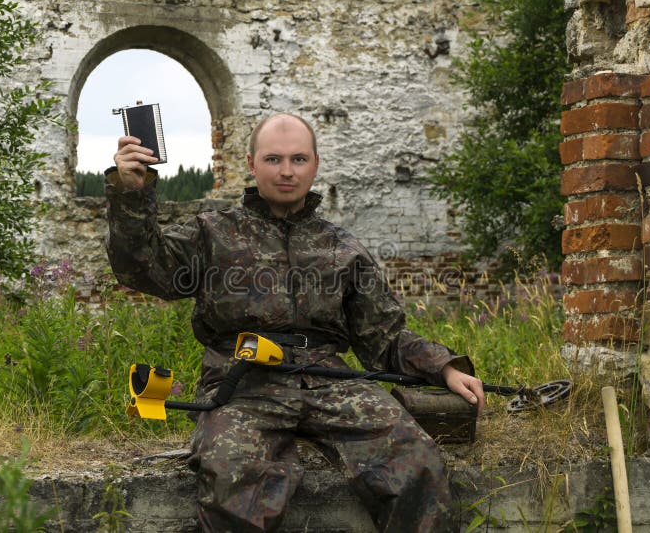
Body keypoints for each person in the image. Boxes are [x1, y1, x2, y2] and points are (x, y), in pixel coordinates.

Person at [105, 113, 485, 532]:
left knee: (419, 464)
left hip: (331, 384)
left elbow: (385, 336)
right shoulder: (211, 233)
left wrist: (444, 366)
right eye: (273, 159)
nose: (287, 171)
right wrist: (131, 196)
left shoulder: (343, 248)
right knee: (233, 476)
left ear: (315, 165)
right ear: (251, 164)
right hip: (243, 384)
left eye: (299, 159)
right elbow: (142, 268)